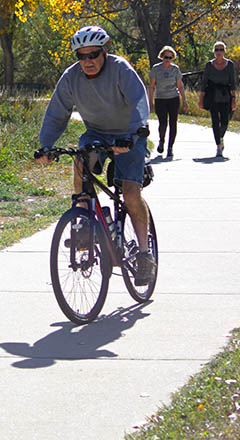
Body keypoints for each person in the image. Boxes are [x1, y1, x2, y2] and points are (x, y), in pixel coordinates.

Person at [35, 25, 155, 285]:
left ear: (105, 51)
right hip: (97, 134)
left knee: (131, 193)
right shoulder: (70, 78)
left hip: (128, 134)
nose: (87, 61)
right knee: (81, 161)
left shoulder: (121, 69)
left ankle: (145, 254)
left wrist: (135, 131)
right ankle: (83, 223)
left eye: (93, 55)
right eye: (82, 56)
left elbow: (139, 100)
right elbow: (57, 112)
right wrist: (46, 145)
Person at [198, 41, 237, 157]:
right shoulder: (209, 65)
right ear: (214, 52)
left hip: (225, 95)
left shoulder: (230, 65)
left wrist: (234, 98)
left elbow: (233, 82)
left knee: (225, 121)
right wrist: (201, 99)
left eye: (221, 50)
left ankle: (220, 137)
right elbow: (204, 83)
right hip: (212, 95)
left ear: (224, 51)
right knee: (215, 121)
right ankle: (218, 146)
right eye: (216, 50)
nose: (219, 52)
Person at [148, 45, 188, 158]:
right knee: (163, 123)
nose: (168, 60)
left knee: (173, 123)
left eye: (170, 58)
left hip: (173, 98)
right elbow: (151, 86)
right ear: (162, 57)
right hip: (160, 99)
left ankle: (170, 147)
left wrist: (184, 100)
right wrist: (150, 102)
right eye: (166, 57)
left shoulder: (175, 69)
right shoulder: (156, 69)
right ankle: (161, 141)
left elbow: (180, 86)